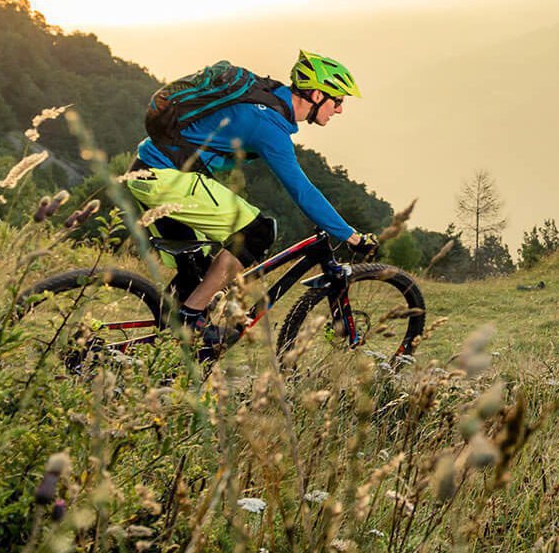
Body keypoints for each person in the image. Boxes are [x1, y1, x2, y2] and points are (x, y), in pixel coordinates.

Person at [126, 50, 377, 353]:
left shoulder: (267, 95)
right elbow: (302, 191)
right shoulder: (268, 125)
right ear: (315, 94)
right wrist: (350, 235)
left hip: (145, 172)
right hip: (167, 179)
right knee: (257, 232)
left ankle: (156, 347)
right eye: (337, 100)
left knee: (199, 272)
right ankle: (190, 320)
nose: (339, 110)